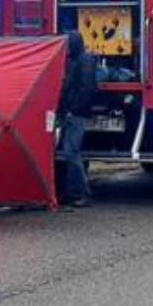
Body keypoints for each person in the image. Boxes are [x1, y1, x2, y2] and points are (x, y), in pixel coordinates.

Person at [57, 31, 97, 208]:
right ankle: (70, 192)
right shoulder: (76, 60)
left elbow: (85, 89)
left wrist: (73, 110)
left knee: (71, 153)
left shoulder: (83, 61)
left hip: (76, 113)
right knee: (68, 152)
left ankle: (82, 192)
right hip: (70, 112)